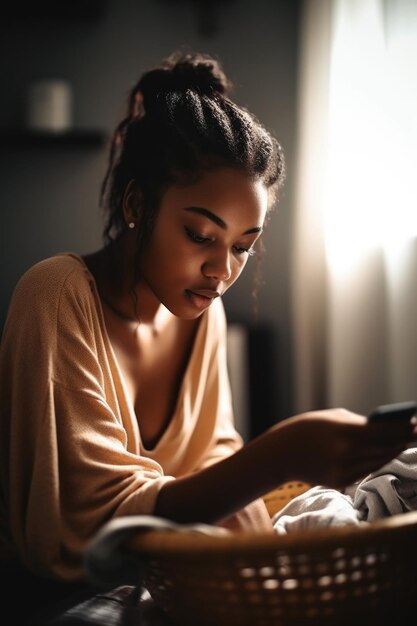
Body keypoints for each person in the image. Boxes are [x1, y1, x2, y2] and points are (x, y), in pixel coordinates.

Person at [0, 50, 414, 625]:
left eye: (243, 246)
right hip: (49, 595)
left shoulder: (203, 319)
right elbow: (79, 522)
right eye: (200, 235)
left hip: (172, 583)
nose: (222, 271)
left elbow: (209, 460)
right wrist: (278, 456)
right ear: (137, 205)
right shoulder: (55, 295)